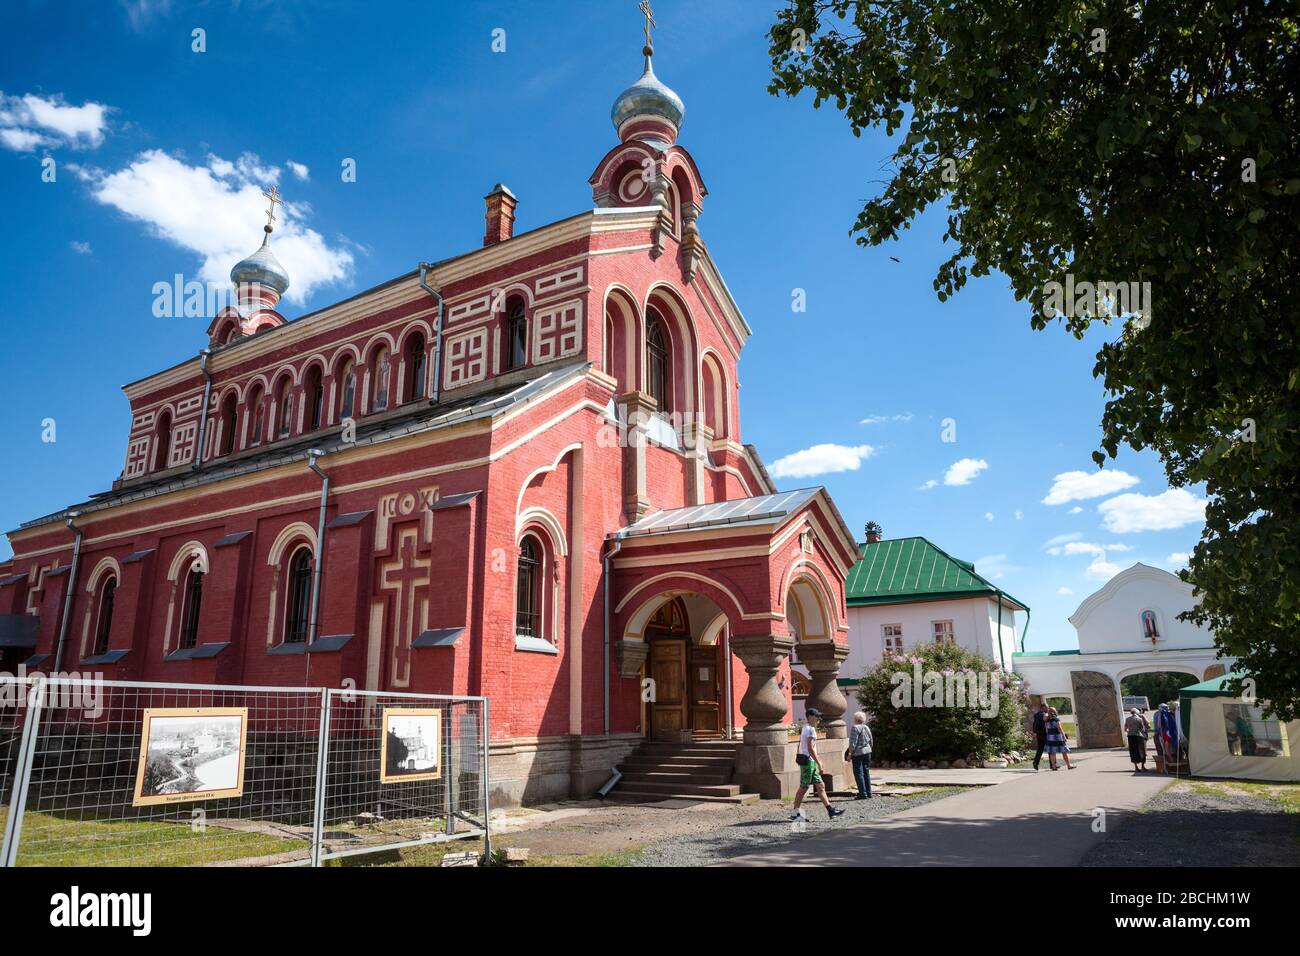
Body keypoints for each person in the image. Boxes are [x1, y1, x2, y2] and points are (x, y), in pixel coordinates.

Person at [790, 708, 845, 822]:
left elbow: (810, 748)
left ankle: (830, 810)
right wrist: (819, 762)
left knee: (820, 785)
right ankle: (795, 813)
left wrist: (817, 761)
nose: (819, 718)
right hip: (809, 763)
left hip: (810, 762)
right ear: (810, 716)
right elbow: (810, 749)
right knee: (803, 787)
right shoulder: (810, 730)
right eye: (817, 716)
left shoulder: (807, 728)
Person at [847, 711, 873, 799]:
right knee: (866, 772)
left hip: (858, 753)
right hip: (867, 752)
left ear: (855, 719)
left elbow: (853, 743)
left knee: (859, 773)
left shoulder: (855, 728)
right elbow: (871, 741)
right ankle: (869, 793)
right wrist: (869, 749)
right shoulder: (866, 727)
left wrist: (849, 754)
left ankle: (862, 793)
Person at [1031, 701, 1050, 771]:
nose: (1048, 708)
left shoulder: (1036, 715)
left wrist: (1034, 732)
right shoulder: (1045, 715)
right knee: (1050, 748)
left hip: (1039, 734)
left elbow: (1034, 724)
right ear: (1043, 707)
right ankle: (1052, 764)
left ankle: (1035, 762)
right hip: (1045, 734)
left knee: (1040, 749)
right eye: (1047, 707)